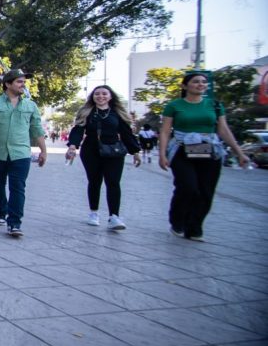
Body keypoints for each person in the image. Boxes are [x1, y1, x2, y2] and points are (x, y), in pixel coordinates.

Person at [159, 73, 249, 241]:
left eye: (203, 82)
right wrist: (162, 154)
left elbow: (223, 130)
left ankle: (194, 228)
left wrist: (239, 152)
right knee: (188, 187)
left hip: (209, 149)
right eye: (196, 82)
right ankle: (177, 221)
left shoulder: (214, 105)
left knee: (205, 191)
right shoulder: (174, 106)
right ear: (185, 86)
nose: (200, 84)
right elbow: (165, 131)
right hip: (182, 149)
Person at [0, 69, 47, 237]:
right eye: (19, 82)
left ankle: (14, 223)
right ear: (7, 84)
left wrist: (44, 151)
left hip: (21, 154)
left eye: (24, 82)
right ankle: (1, 212)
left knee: (18, 188)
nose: (23, 85)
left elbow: (37, 130)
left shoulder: (30, 106)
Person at [64, 86, 142, 230]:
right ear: (92, 97)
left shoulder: (117, 113)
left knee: (113, 182)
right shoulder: (87, 112)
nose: (101, 96)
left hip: (113, 152)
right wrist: (73, 146)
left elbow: (126, 133)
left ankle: (114, 217)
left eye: (104, 94)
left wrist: (135, 151)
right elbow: (78, 130)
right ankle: (94, 213)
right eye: (97, 94)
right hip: (91, 151)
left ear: (110, 96)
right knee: (94, 181)